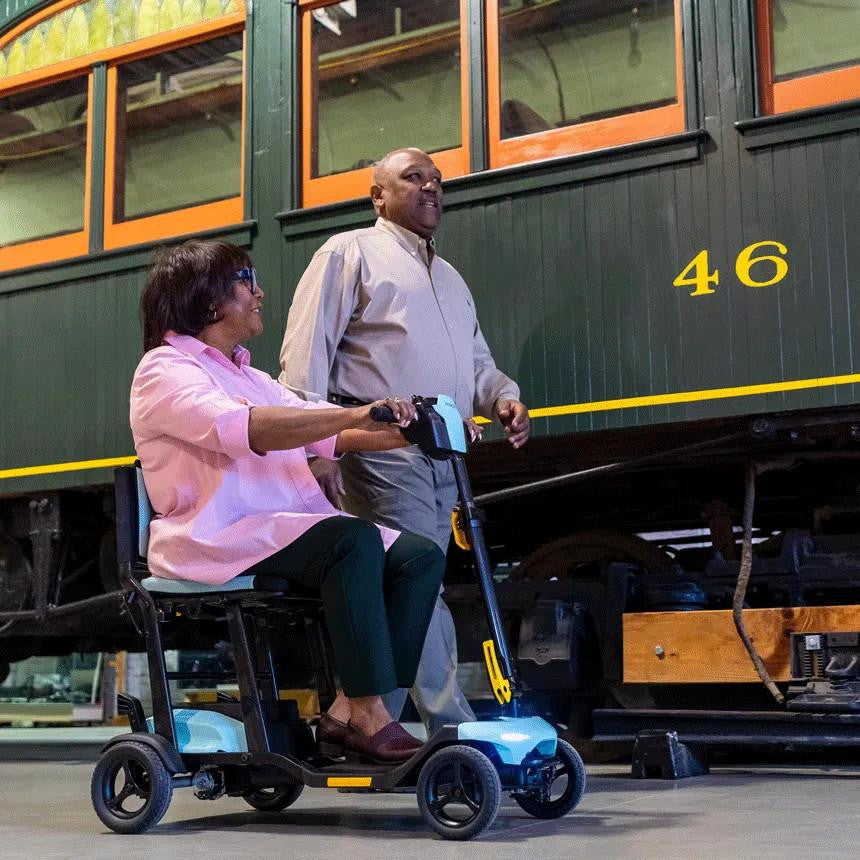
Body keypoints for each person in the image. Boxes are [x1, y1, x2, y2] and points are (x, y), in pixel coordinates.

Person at [130, 239, 447, 763]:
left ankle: (347, 712)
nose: (260, 292)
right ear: (206, 299)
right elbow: (247, 426)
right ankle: (371, 715)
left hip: (275, 529)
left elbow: (330, 434)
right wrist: (352, 414)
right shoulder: (163, 371)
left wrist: (420, 432)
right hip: (218, 535)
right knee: (352, 540)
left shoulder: (249, 377)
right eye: (245, 279)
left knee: (419, 556)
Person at [279, 147, 530, 733]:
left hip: (445, 454)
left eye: (437, 180)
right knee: (421, 580)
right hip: (379, 451)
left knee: (410, 585)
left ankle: (362, 720)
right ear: (378, 197)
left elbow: (474, 362)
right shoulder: (350, 252)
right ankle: (451, 725)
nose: (430, 188)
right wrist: (313, 452)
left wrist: (501, 398)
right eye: (413, 178)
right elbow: (305, 356)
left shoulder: (448, 276)